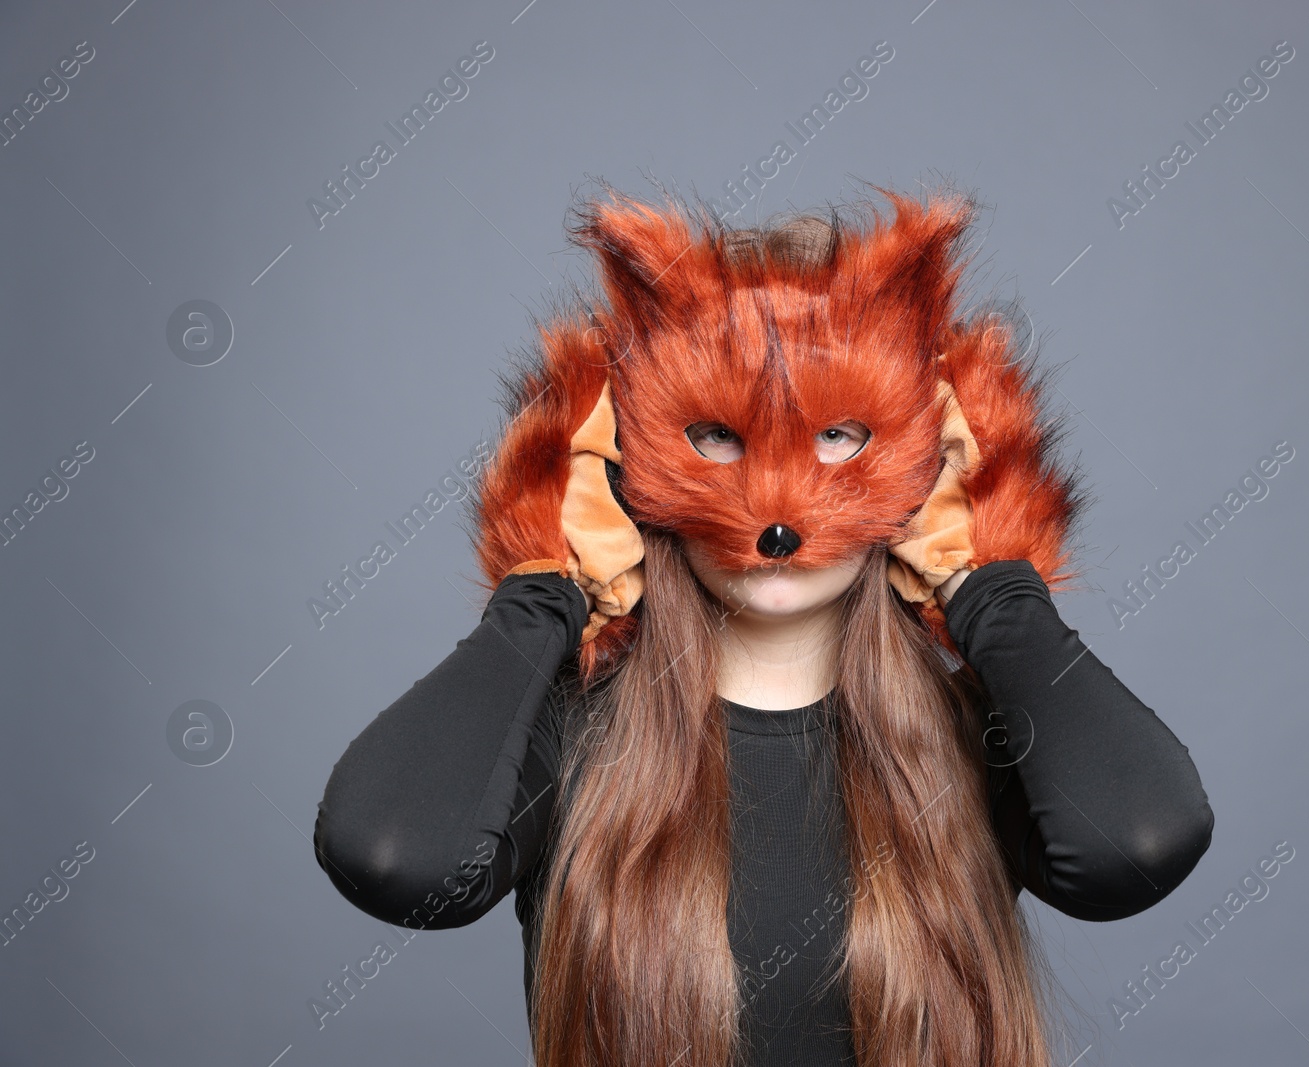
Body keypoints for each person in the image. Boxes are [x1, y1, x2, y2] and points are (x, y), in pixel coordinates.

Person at [312, 179, 1214, 1067]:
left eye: (838, 438)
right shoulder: (572, 738)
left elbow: (1135, 844)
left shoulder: (985, 737)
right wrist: (547, 583)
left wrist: (991, 583)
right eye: (715, 439)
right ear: (618, 457)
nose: (777, 516)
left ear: (935, 451)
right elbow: (396, 858)